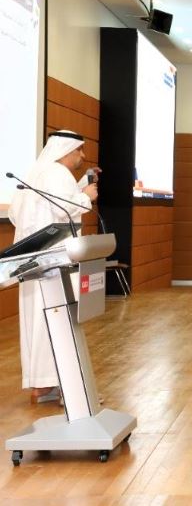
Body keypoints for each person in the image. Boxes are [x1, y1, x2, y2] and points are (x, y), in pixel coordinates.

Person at [9, 130, 98, 404]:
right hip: (54, 263)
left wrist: (82, 186)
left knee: (38, 321)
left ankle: (42, 385)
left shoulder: (36, 173)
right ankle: (67, 389)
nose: (82, 155)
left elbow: (15, 214)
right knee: (59, 318)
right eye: (79, 150)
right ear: (66, 150)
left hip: (33, 263)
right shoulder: (58, 173)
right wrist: (87, 197)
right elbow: (63, 209)